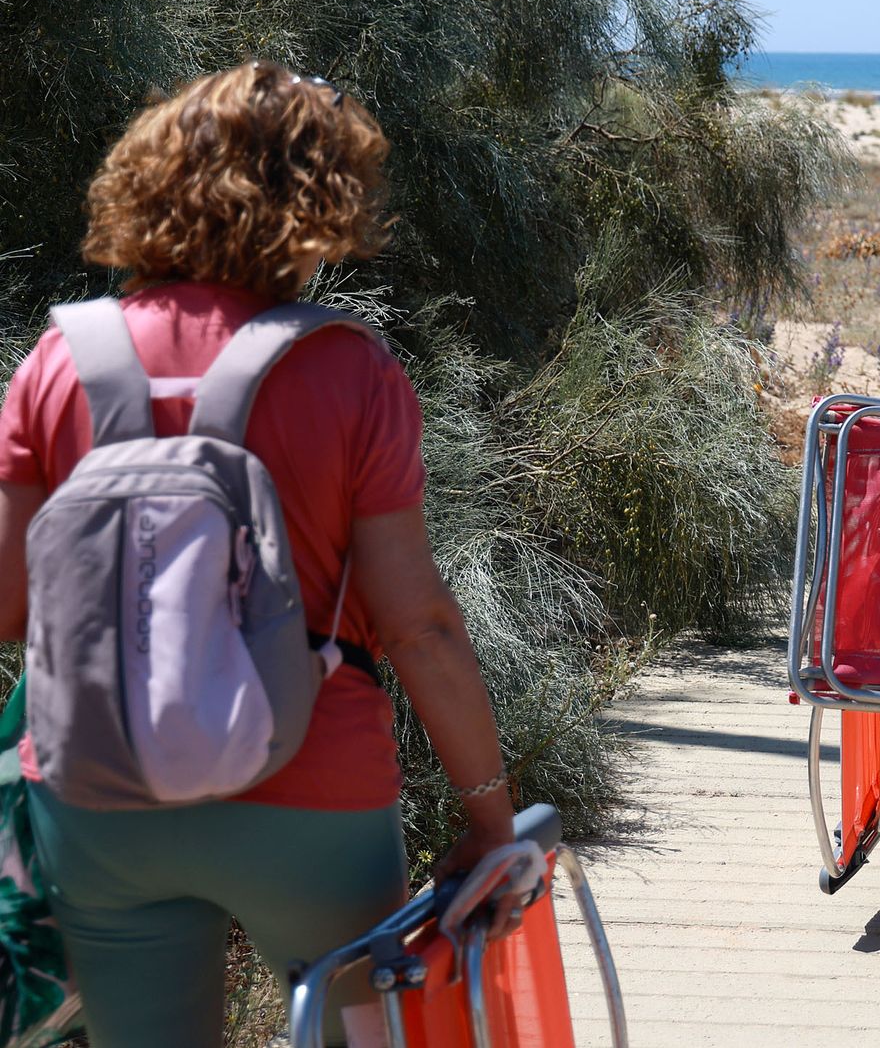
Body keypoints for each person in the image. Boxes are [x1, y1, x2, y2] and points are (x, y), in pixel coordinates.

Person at [0, 61, 517, 1045]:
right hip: (313, 794)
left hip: (98, 798)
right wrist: (490, 816)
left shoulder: (58, 362)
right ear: (322, 206)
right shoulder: (349, 369)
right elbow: (418, 624)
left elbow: (10, 608)